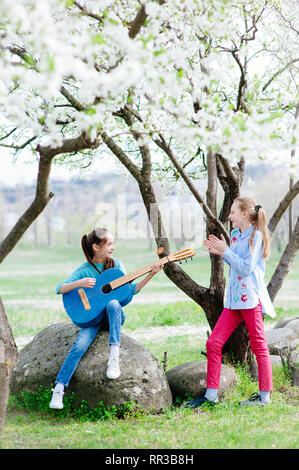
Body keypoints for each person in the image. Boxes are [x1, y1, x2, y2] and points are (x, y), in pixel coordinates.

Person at [50, 227, 163, 409]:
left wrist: (151, 274)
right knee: (79, 346)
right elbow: (60, 288)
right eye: (109, 244)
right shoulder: (85, 270)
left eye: (113, 243)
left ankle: (114, 357)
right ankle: (59, 389)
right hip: (92, 319)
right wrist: (80, 283)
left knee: (113, 304)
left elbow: (131, 290)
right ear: (96, 247)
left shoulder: (117, 266)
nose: (113, 247)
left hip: (113, 317)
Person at [185, 197, 276, 409]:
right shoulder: (235, 234)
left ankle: (264, 398)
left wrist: (225, 251)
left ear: (245, 213)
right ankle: (210, 396)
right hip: (234, 301)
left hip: (250, 299)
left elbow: (245, 268)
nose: (229, 216)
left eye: (233, 212)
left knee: (259, 346)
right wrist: (222, 252)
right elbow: (234, 261)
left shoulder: (257, 236)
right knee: (213, 344)